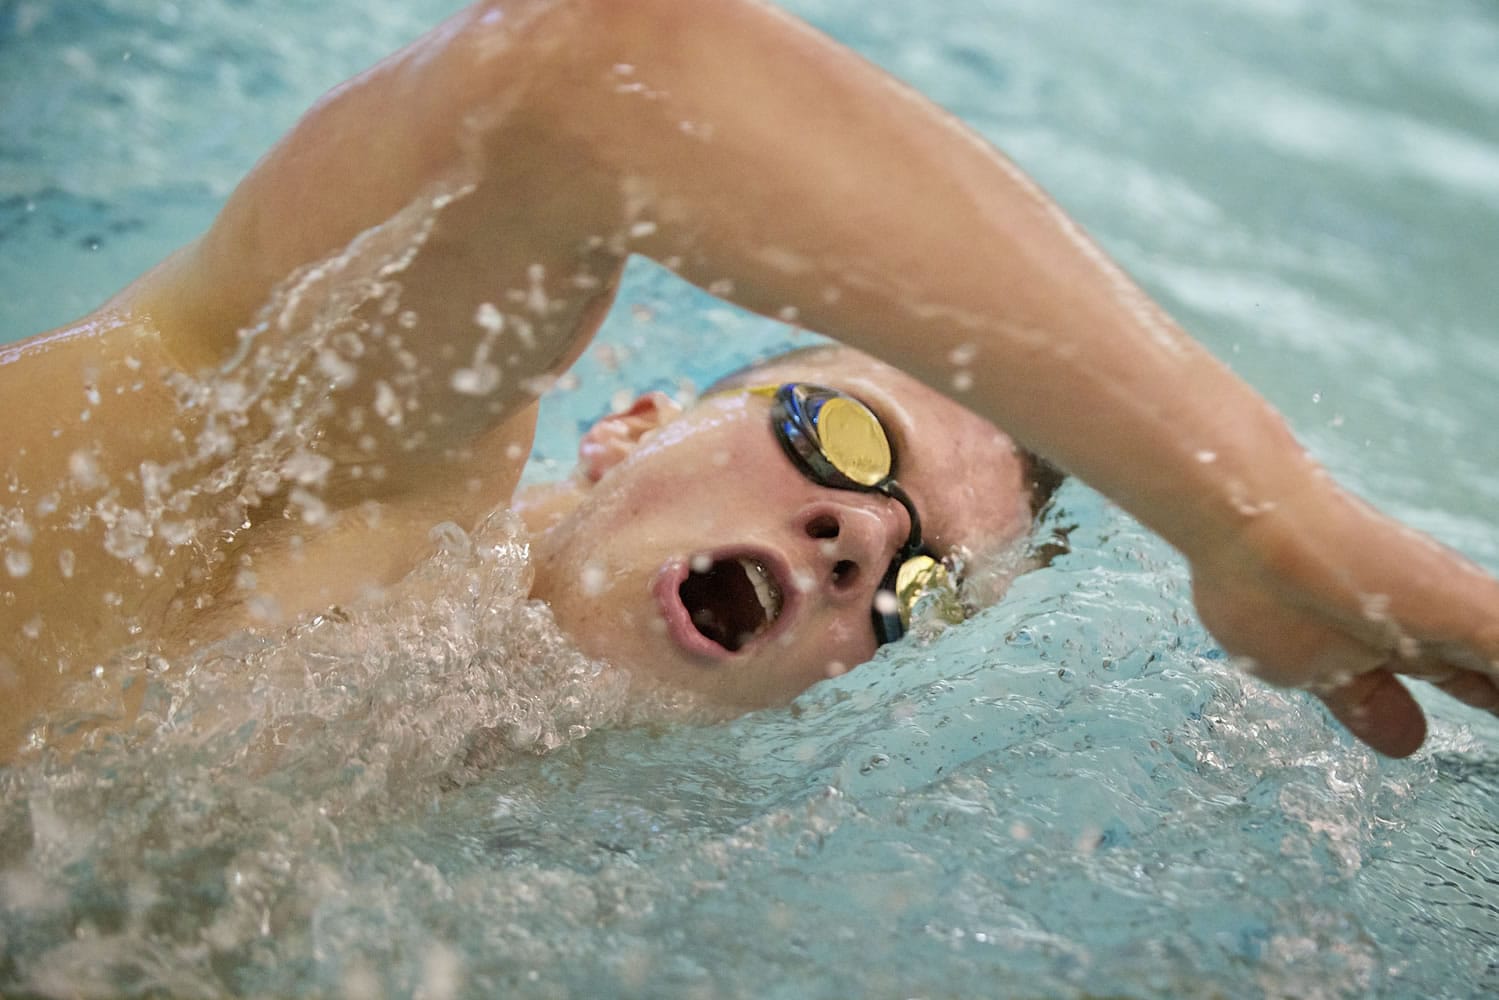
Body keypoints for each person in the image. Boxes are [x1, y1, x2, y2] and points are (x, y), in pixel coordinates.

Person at [1, 0, 1496, 761]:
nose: (864, 540)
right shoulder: (317, 470)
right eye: (839, 439)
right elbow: (592, 69)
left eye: (916, 592)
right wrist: (1256, 511)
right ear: (629, 423)